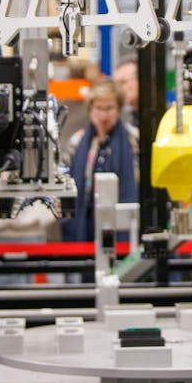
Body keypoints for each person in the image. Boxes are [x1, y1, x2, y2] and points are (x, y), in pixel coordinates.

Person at [65, 79, 139, 253]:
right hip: (87, 223)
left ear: (119, 109)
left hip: (123, 223)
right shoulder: (77, 142)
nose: (104, 115)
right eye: (99, 108)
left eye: (109, 108)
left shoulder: (134, 140)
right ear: (90, 109)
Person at [111, 54, 140, 128]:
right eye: (116, 84)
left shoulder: (169, 118)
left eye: (123, 82)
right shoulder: (128, 121)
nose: (118, 89)